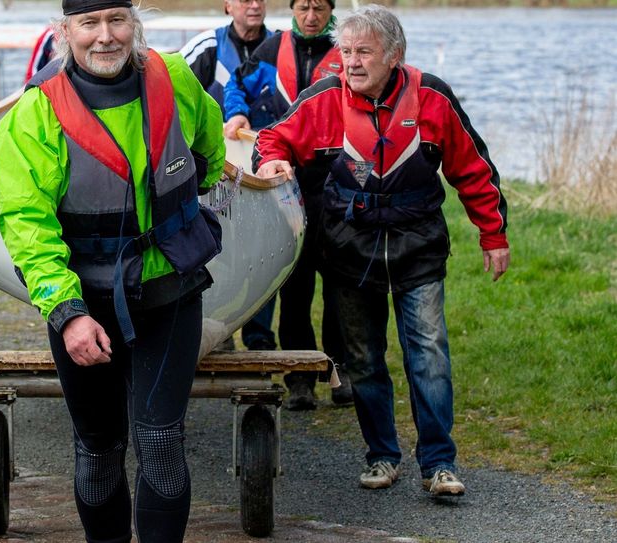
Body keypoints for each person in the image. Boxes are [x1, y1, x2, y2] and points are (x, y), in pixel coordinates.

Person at [0, 1, 225, 540]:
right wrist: (68, 314)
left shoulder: (178, 80)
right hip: (85, 302)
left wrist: (175, 199)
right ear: (65, 31)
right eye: (89, 24)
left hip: (170, 288)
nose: (105, 37)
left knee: (161, 442)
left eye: (117, 21)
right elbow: (27, 227)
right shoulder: (35, 115)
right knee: (99, 449)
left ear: (134, 24)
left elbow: (208, 153)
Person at [254, 4, 510, 497]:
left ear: (394, 55)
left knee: (428, 356)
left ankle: (439, 463)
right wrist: (271, 164)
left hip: (419, 246)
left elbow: (473, 168)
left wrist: (493, 235)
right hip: (351, 249)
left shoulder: (432, 97)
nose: (350, 62)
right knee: (364, 359)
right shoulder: (325, 98)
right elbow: (272, 138)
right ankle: (381, 456)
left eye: (363, 52)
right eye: (345, 51)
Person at [226, 0, 347, 410]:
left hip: (337, 185)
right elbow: (234, 86)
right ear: (292, 9)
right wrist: (238, 113)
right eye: (302, 7)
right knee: (295, 287)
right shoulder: (270, 49)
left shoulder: (347, 51)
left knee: (340, 286)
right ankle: (300, 379)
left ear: (331, 10)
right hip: (286, 183)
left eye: (319, 8)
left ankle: (339, 369)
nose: (310, 17)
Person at [179, 0, 273, 116]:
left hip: (268, 132)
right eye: (246, 0)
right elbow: (175, 92)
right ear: (228, 6)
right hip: (222, 131)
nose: (256, 5)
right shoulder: (207, 46)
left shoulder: (280, 46)